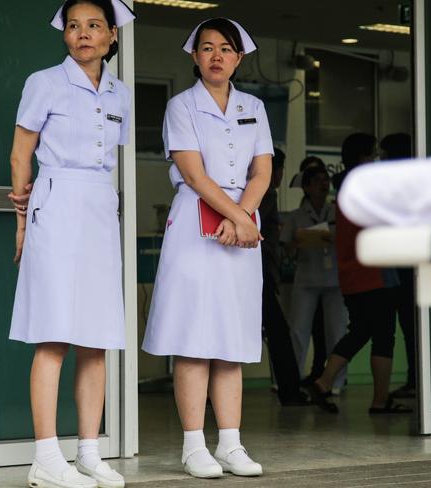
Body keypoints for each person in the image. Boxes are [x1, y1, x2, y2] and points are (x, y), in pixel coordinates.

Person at [7, 1, 134, 487]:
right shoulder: (45, 82)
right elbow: (21, 153)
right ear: (65, 36)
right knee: (54, 332)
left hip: (100, 209)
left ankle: (88, 451)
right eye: (74, 27)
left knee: (96, 337)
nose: (83, 34)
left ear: (111, 36)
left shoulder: (120, 93)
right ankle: (45, 457)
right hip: (56, 202)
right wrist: (22, 217)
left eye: (94, 26)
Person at [142, 18, 273, 479]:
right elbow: (195, 175)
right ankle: (194, 445)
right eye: (207, 48)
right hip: (199, 220)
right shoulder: (181, 106)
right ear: (194, 56)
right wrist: (240, 219)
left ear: (239, 57)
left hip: (243, 223)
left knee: (231, 337)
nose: (216, 55)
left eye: (226, 48)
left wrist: (244, 217)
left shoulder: (254, 105)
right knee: (194, 336)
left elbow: (261, 172)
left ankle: (232, 443)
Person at [308, 133, 411, 415]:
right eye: (373, 153)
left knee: (361, 330)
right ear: (364, 157)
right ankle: (380, 400)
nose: (378, 158)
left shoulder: (344, 189)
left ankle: (323, 382)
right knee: (383, 336)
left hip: (352, 273)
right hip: (376, 272)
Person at [281, 166, 348, 395]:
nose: (323, 184)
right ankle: (292, 379)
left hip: (334, 280)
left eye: (326, 180)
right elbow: (286, 253)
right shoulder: (295, 216)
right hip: (306, 279)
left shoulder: (336, 212)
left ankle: (336, 382)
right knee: (298, 331)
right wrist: (297, 242)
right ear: (307, 187)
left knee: (337, 332)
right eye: (317, 180)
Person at [258, 148, 310, 406]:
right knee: (279, 332)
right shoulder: (263, 192)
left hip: (260, 274)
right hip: (259, 274)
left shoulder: (260, 192)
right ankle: (290, 391)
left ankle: (290, 390)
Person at [379, 133, 416, 398]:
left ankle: (416, 379)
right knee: (411, 327)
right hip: (408, 265)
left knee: (409, 327)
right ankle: (416, 378)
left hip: (403, 266)